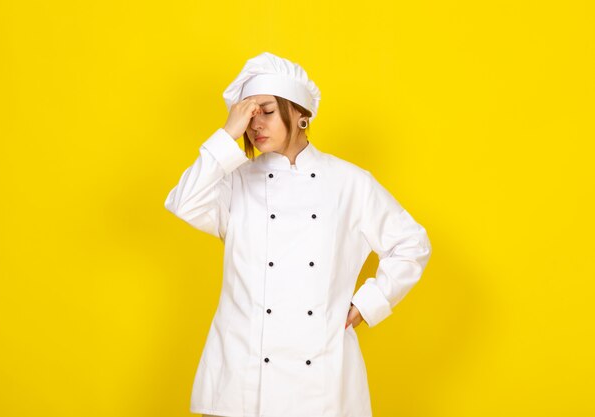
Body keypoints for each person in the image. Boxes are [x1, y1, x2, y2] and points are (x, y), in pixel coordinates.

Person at [164, 51, 432, 417]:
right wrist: (228, 134)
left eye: (268, 111)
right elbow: (183, 202)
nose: (256, 125)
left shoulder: (349, 183)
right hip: (246, 374)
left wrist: (369, 304)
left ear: (301, 114)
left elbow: (411, 243)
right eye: (249, 115)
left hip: (319, 375)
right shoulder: (234, 182)